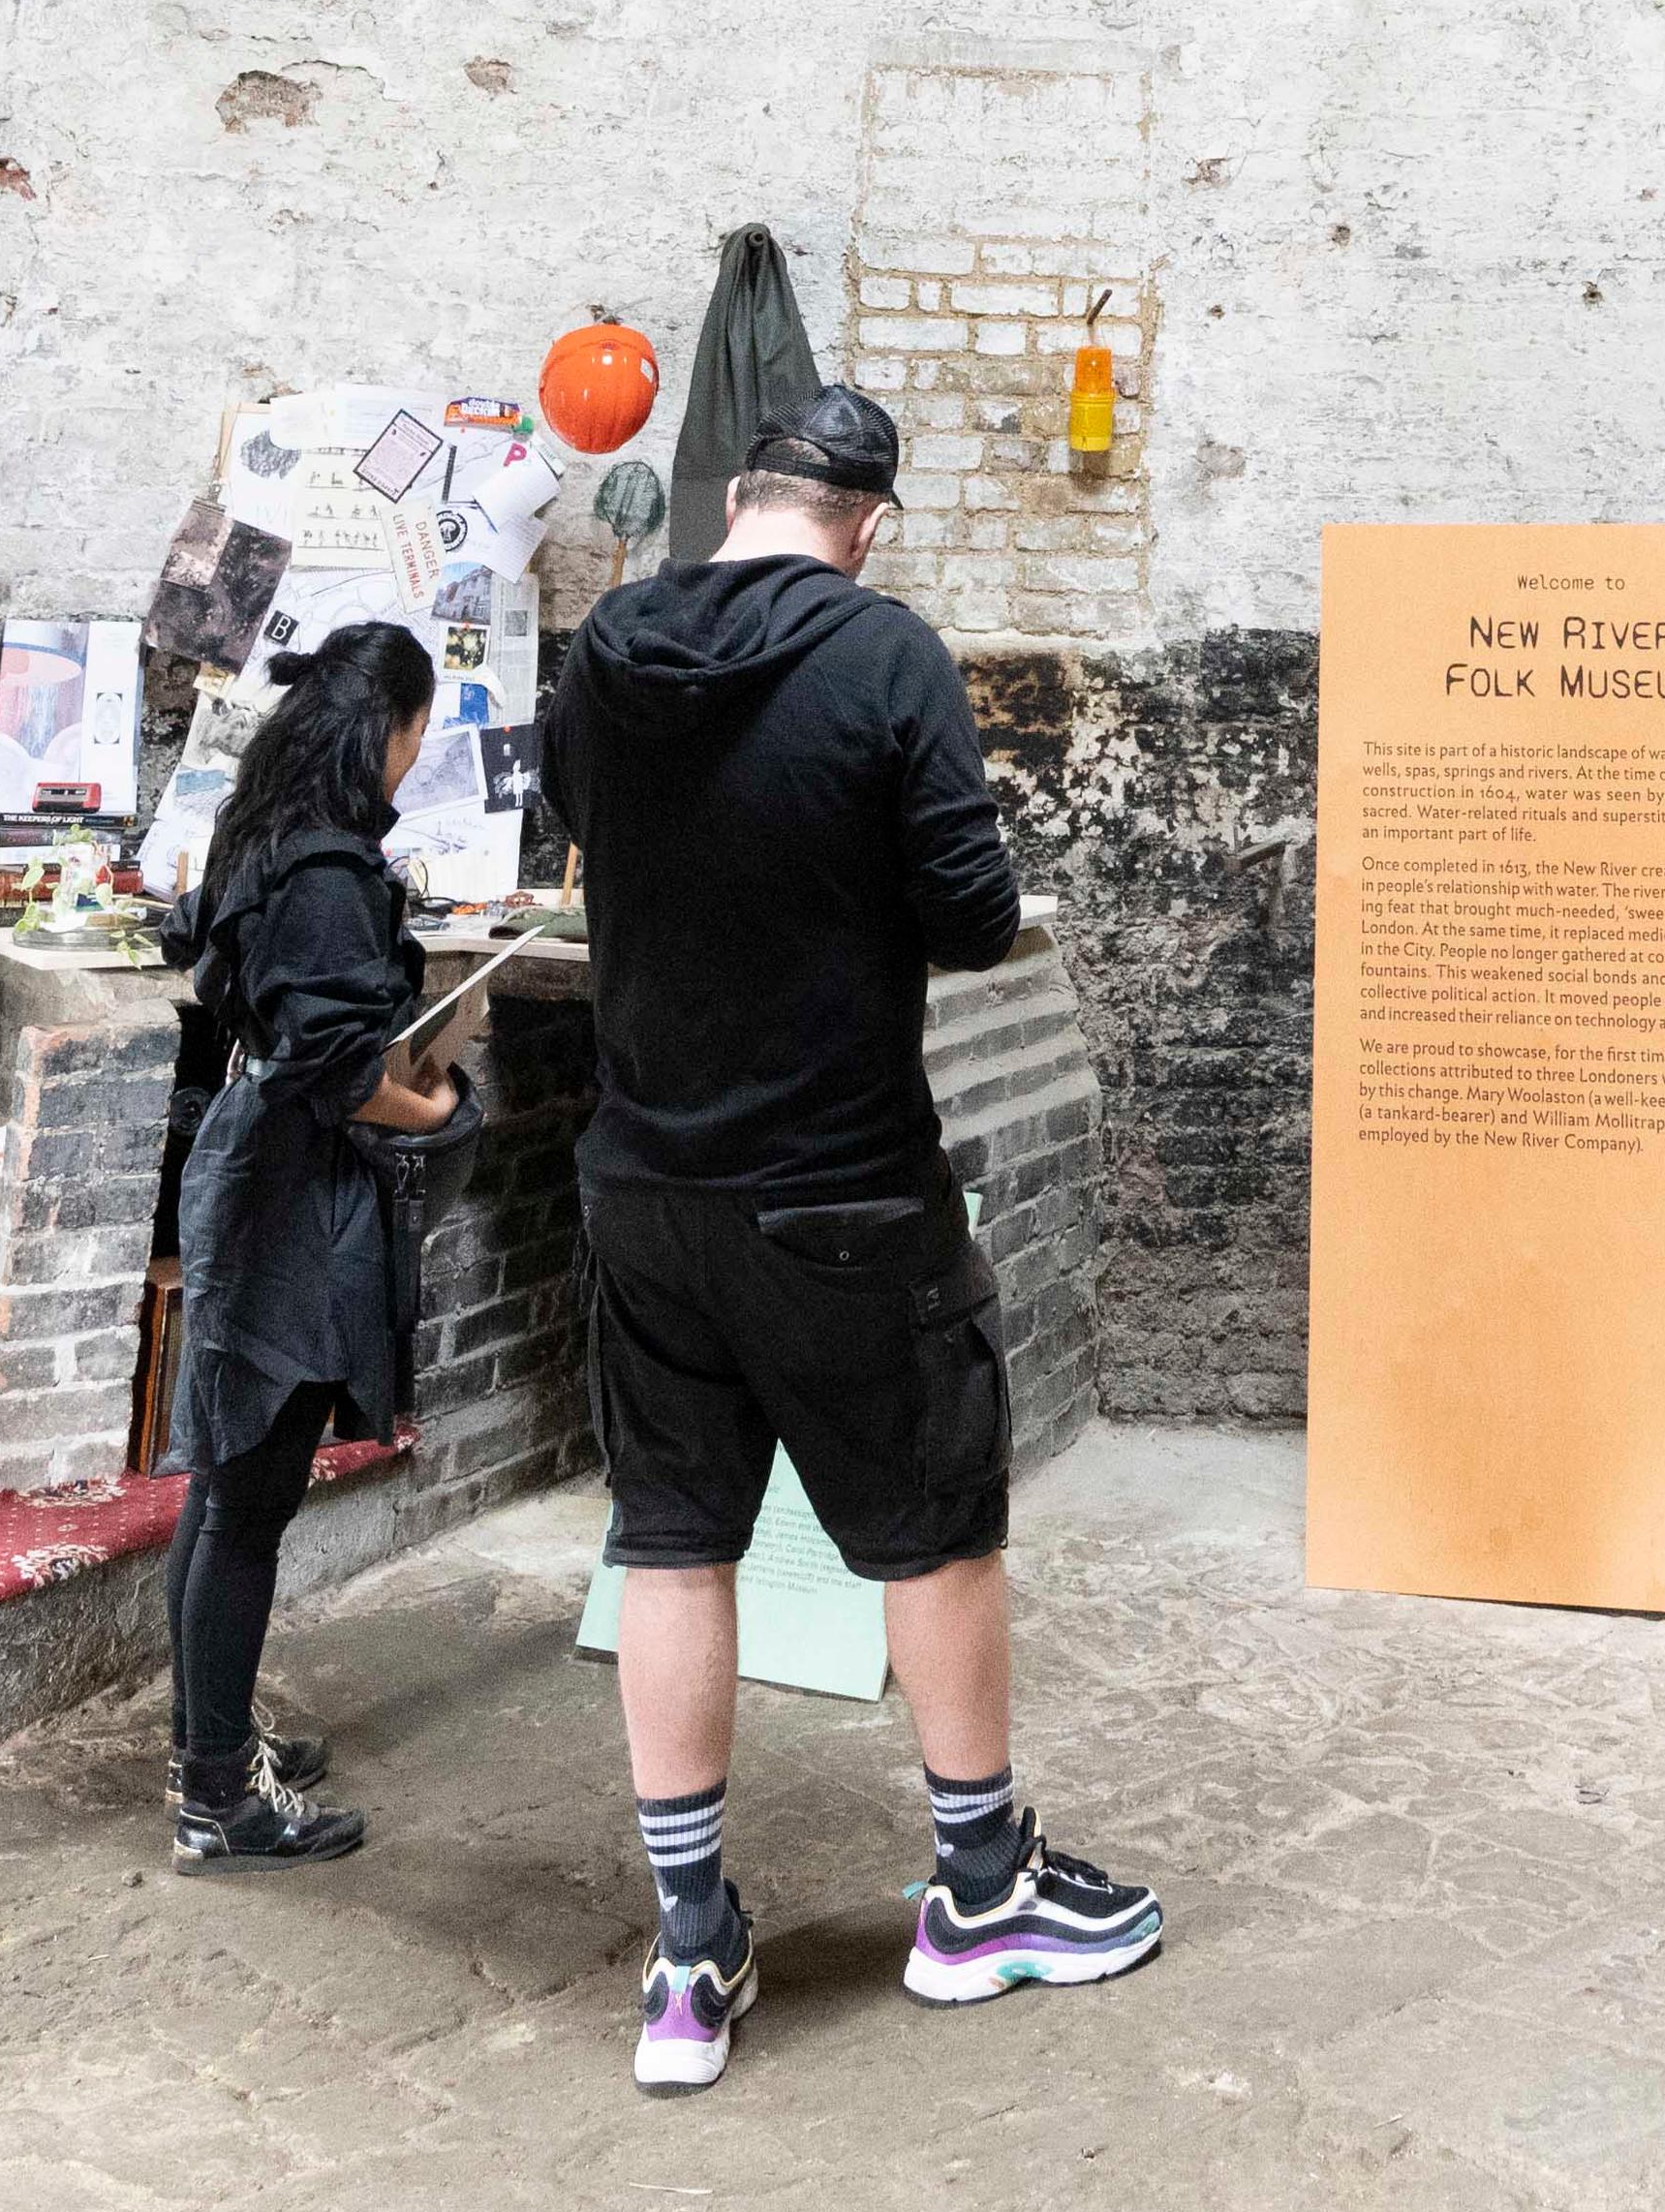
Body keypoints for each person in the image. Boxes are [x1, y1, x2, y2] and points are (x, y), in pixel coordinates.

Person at [540, 386, 1156, 2096]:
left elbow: (582, 842)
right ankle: (976, 1893)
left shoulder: (605, 655)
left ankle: (686, 1957)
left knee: (669, 1540)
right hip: (839, 1188)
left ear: (737, 496)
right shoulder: (885, 658)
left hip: (644, 1183)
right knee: (932, 1528)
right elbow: (967, 915)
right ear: (866, 520)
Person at [159, 619, 465, 1868]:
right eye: (412, 735)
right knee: (247, 1496)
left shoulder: (260, 826)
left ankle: (209, 1743)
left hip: (247, 1159)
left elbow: (203, 944)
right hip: (283, 1186)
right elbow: (340, 1073)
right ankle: (215, 1803)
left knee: (227, 1479)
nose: (413, 757)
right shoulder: (328, 869)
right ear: (378, 731)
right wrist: (434, 1104)